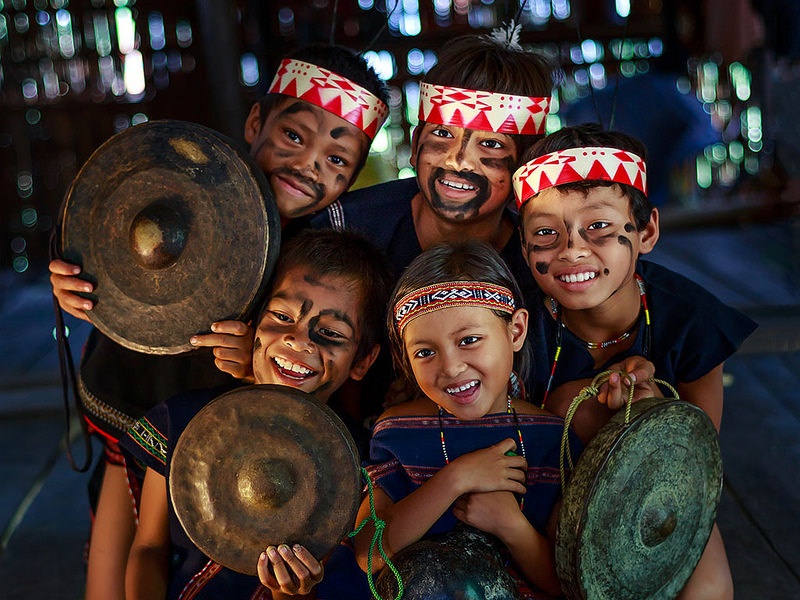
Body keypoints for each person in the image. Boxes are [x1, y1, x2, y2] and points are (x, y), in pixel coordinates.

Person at [49, 44, 389, 600]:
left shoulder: (316, 262)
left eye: (336, 160)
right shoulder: (179, 185)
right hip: (140, 408)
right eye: (295, 137)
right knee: (118, 571)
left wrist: (251, 362)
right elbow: (102, 243)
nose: (308, 165)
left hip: (242, 450)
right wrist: (77, 283)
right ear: (256, 122)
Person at [512, 123, 758, 599]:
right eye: (546, 233)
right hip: (536, 499)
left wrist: (650, 416)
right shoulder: (514, 324)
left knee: (705, 574)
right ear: (524, 249)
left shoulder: (691, 320)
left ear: (645, 232)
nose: (572, 248)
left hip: (654, 504)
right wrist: (568, 408)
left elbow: (693, 466)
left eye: (599, 227)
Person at [121, 229, 394, 599]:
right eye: (282, 316)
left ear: (363, 360)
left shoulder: (362, 469)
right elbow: (148, 549)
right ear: (255, 323)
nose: (299, 340)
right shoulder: (184, 420)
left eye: (330, 333)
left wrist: (291, 592)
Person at [311, 23, 554, 418]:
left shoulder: (542, 258)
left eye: (491, 144)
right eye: (441, 133)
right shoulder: (345, 228)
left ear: (524, 167)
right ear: (414, 143)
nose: (458, 160)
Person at [351, 241, 582, 599]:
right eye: (425, 352)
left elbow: (571, 584)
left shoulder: (553, 439)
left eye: (470, 340)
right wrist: (456, 479)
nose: (451, 368)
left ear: (516, 331)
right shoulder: (398, 433)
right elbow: (369, 553)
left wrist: (512, 526)